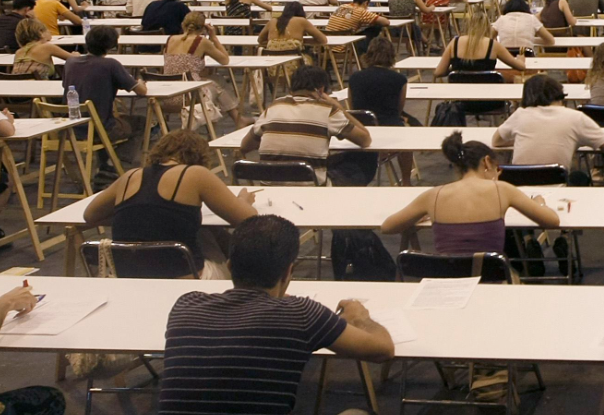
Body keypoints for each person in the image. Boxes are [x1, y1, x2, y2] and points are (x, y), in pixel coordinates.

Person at [157, 214, 395, 414]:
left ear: (230, 266)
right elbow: (382, 349)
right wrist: (359, 316)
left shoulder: (186, 305)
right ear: (288, 272)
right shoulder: (302, 314)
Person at [83, 130, 256, 278]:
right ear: (201, 157)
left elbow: (90, 215)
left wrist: (142, 217)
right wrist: (243, 200)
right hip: (185, 278)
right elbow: (248, 219)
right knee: (224, 251)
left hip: (131, 277)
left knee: (204, 232)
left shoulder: (130, 176)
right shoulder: (196, 174)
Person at [381, 131, 560, 253]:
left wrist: (419, 214)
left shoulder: (433, 196)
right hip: (490, 279)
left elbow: (387, 227)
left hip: (447, 281)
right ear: (487, 162)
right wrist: (540, 203)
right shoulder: (503, 190)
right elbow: (552, 221)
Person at [239, 66, 372, 185]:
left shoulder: (274, 106)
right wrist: (339, 107)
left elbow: (245, 146)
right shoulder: (327, 109)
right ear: (321, 90)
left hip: (271, 186)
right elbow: (365, 140)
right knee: (359, 165)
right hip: (311, 186)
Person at [493, 75, 604, 182]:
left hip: (520, 190)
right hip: (557, 186)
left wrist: (521, 139)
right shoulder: (575, 118)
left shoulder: (520, 114)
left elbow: (496, 141)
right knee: (579, 177)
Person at [64, 27, 147, 144]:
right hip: (101, 128)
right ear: (111, 46)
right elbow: (141, 91)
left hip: (71, 127)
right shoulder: (111, 65)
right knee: (142, 123)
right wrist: (140, 82)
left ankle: (105, 158)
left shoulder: (70, 62)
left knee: (118, 118)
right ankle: (121, 160)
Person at [348, 36, 413, 184]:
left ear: (369, 54)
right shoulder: (399, 79)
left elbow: (353, 108)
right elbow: (399, 109)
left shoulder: (354, 78)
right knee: (409, 134)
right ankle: (406, 181)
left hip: (362, 128)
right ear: (392, 55)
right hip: (389, 126)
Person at [163, 13, 243, 126]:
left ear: (183, 25)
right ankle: (237, 119)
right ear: (203, 28)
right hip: (189, 96)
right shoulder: (201, 42)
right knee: (218, 82)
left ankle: (237, 120)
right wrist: (214, 37)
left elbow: (181, 66)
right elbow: (225, 60)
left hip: (166, 95)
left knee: (214, 79)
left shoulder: (170, 39)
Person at [434, 12, 527, 76]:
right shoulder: (493, 45)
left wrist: (456, 71)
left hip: (460, 99)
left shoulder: (455, 42)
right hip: (487, 100)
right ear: (487, 27)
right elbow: (520, 67)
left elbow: (438, 72)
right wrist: (521, 59)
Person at [325, 0, 391, 54]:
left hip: (327, 45)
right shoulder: (361, 11)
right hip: (344, 46)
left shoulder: (342, 7)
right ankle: (367, 55)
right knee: (376, 27)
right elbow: (386, 22)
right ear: (366, 3)